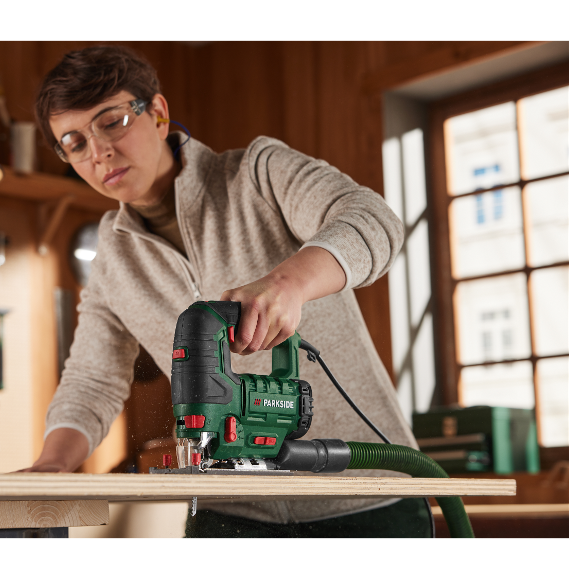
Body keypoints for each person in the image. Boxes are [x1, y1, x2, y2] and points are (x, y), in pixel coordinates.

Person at [22, 45, 431, 538]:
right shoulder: (113, 257)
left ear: (157, 113)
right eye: (74, 142)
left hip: (367, 499)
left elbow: (372, 220)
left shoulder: (257, 175)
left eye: (111, 122)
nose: (98, 152)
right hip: (228, 511)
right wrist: (51, 466)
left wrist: (290, 283)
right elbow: (91, 381)